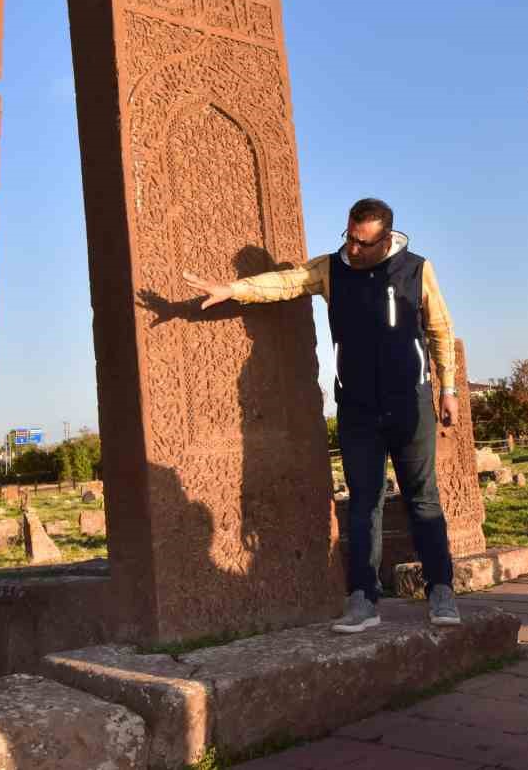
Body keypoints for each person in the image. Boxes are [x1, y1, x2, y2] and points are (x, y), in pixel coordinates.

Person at [183, 197, 463, 633]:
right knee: (363, 503)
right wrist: (233, 290)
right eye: (348, 237)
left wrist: (448, 389)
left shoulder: (416, 269)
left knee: (422, 498)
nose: (352, 249)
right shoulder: (331, 269)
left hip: (410, 403)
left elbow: (440, 329)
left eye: (362, 243)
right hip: (357, 409)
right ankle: (363, 601)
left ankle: (441, 591)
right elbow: (286, 282)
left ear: (386, 239)